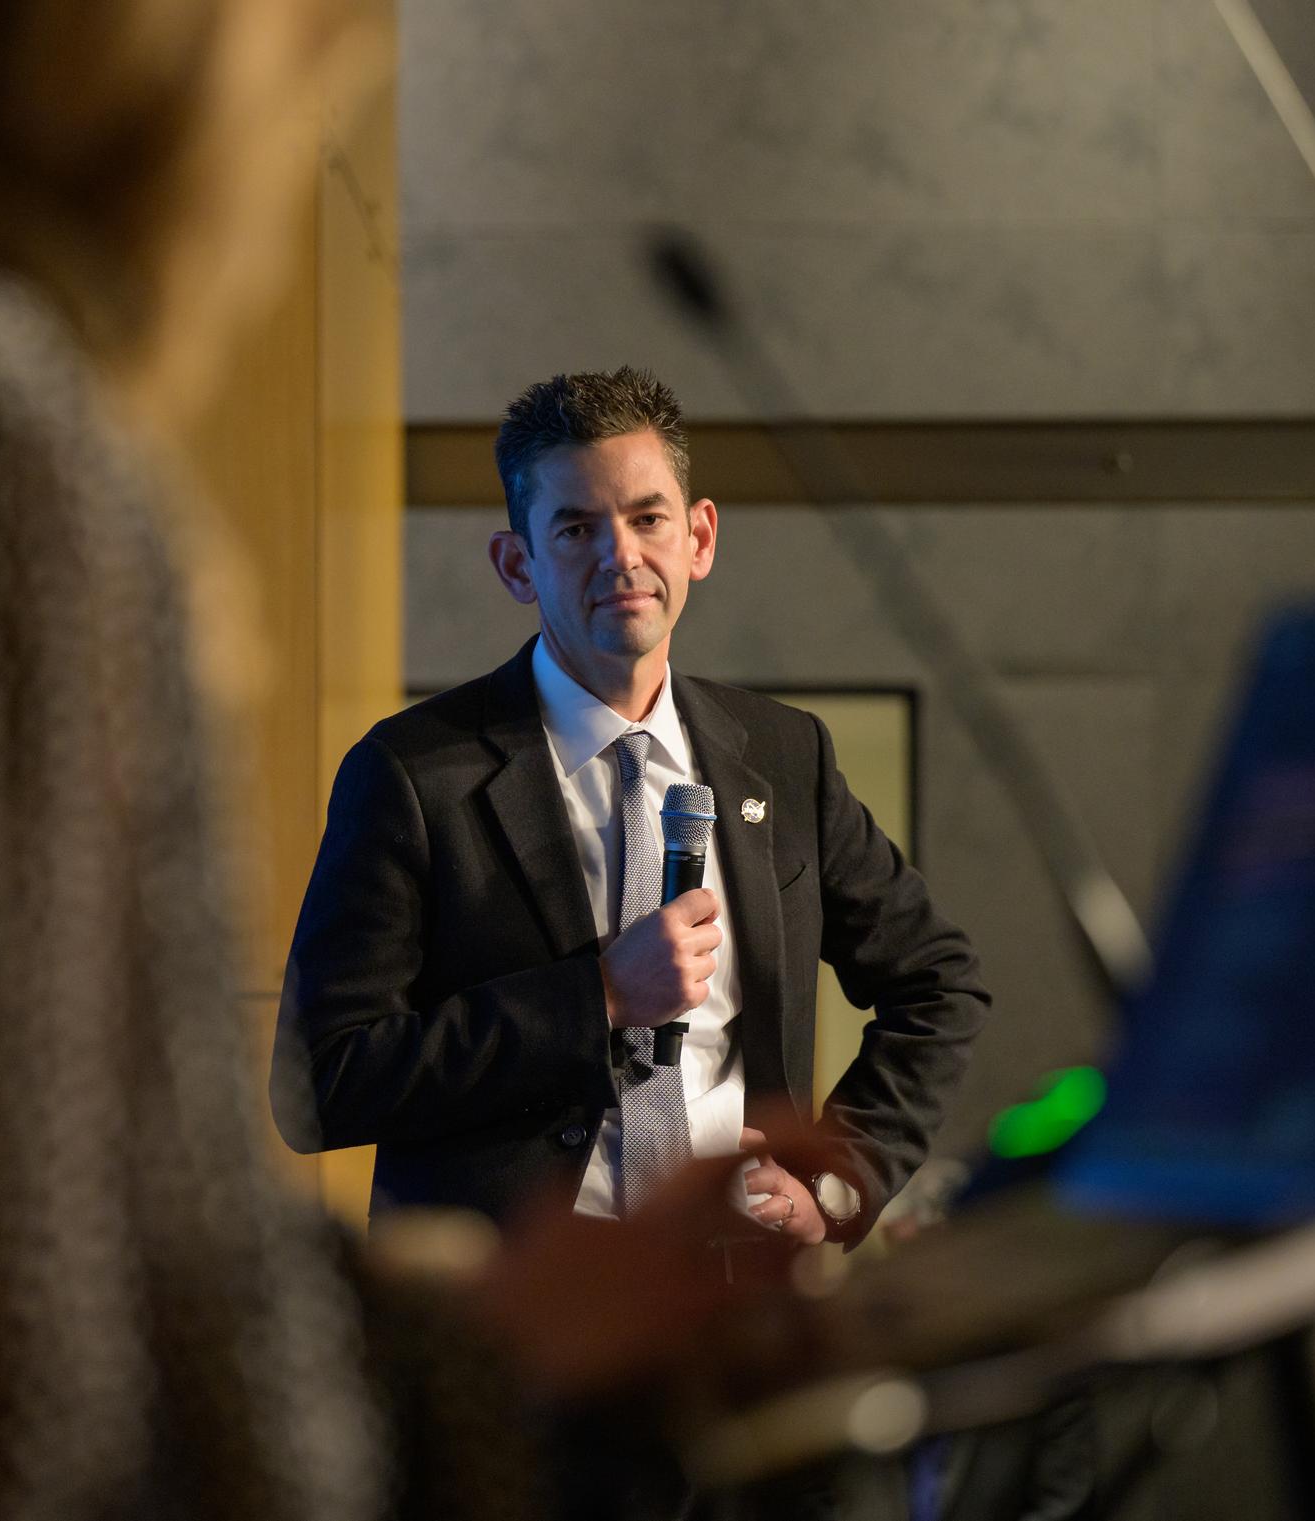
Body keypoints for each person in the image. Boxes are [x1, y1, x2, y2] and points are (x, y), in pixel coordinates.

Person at [0, 7, 763, 1519]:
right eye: (313, 61)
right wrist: (514, 1385)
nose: (289, 171)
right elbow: (22, 1372)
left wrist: (491, 1318)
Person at [278, 367, 990, 1246]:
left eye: (648, 517)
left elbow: (940, 983)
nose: (621, 555)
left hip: (733, 1293)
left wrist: (839, 1180)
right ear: (518, 564)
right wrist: (598, 996)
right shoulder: (413, 774)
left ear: (699, 538)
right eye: (577, 528)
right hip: (516, 1314)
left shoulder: (782, 754)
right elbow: (321, 1082)